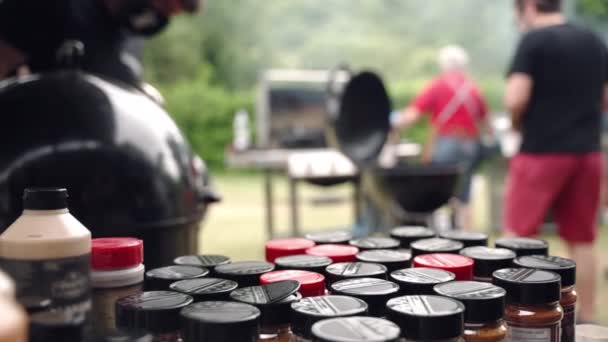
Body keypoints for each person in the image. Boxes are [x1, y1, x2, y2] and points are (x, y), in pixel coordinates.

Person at [504, 0, 608, 323]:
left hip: (541, 152)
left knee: (516, 236)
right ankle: (586, 319)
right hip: (587, 153)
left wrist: (516, 122)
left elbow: (515, 97)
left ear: (530, 7)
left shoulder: (534, 40)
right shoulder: (593, 40)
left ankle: (514, 315)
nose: (518, 21)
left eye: (517, 13)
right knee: (583, 238)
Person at [392, 45, 492, 230]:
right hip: (469, 144)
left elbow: (412, 115)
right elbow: (487, 124)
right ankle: (464, 233)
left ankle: (437, 232)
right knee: (464, 193)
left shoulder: (439, 85)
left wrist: (393, 125)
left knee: (436, 189)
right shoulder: (473, 88)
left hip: (446, 142)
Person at [0, 0, 201, 86]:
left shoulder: (130, 41)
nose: (157, 15)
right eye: (162, 2)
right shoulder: (51, 5)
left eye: (168, 12)